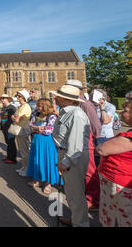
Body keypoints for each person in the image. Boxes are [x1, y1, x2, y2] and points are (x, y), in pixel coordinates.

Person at [51, 85, 91, 227]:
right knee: (70, 191)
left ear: (67, 99)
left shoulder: (77, 115)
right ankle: (76, 219)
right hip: (65, 152)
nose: (55, 97)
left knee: (76, 193)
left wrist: (66, 162)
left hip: (72, 156)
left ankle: (81, 223)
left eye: (58, 96)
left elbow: (76, 143)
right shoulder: (66, 112)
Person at [66, 80, 102, 211]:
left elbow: (96, 126)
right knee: (79, 171)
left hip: (85, 140)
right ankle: (84, 196)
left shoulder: (85, 105)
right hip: (73, 140)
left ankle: (94, 200)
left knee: (89, 171)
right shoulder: (73, 104)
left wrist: (95, 141)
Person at [96, 98, 132, 227]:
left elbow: (102, 149)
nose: (121, 112)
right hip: (115, 181)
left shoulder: (129, 138)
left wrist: (98, 147)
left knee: (122, 218)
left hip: (119, 184)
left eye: (125, 110)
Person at [26, 98, 60, 195]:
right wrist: (38, 128)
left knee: (47, 161)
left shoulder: (52, 116)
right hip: (36, 141)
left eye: (39, 105)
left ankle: (48, 183)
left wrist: (36, 128)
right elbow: (30, 126)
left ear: (45, 106)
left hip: (47, 142)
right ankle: (38, 179)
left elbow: (48, 131)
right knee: (37, 160)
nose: (37, 107)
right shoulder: (35, 114)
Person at [11, 89, 32, 176]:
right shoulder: (21, 106)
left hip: (22, 129)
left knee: (24, 150)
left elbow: (16, 119)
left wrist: (13, 117)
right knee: (22, 149)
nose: (17, 97)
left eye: (19, 96)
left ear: (23, 97)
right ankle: (24, 167)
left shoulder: (25, 107)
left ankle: (27, 169)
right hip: (19, 129)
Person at [0, 94, 17, 164]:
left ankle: (12, 158)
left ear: (8, 99)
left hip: (10, 128)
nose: (2, 100)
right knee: (8, 143)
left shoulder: (12, 108)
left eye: (3, 98)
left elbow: (14, 118)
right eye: (1, 99)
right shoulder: (3, 107)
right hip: (4, 128)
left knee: (11, 142)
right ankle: (9, 157)